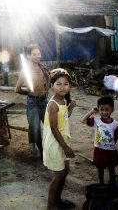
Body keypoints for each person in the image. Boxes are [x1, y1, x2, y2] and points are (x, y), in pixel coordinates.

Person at [43, 68, 77, 209]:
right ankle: (50, 206)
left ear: (69, 86)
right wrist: (65, 147)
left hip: (62, 140)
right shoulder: (53, 104)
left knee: (65, 172)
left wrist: (71, 108)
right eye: (58, 84)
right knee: (58, 176)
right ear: (52, 86)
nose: (62, 87)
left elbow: (64, 118)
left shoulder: (63, 100)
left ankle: (58, 200)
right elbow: (54, 127)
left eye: (65, 84)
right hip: (55, 142)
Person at [15, 44, 50, 157]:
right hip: (33, 102)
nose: (37, 56)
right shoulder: (26, 70)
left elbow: (48, 79)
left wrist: (46, 90)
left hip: (44, 101)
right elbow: (17, 88)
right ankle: (41, 153)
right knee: (35, 129)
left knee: (50, 125)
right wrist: (29, 93)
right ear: (29, 56)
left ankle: (49, 148)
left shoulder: (43, 67)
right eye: (34, 54)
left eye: (39, 54)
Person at [81, 96, 118, 185]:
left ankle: (112, 185)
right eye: (101, 109)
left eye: (107, 109)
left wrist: (112, 144)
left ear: (112, 110)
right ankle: (101, 184)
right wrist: (92, 111)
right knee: (100, 169)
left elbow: (117, 135)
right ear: (98, 110)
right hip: (99, 150)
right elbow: (83, 120)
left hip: (111, 151)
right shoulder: (96, 120)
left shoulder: (115, 124)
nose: (104, 112)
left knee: (111, 169)